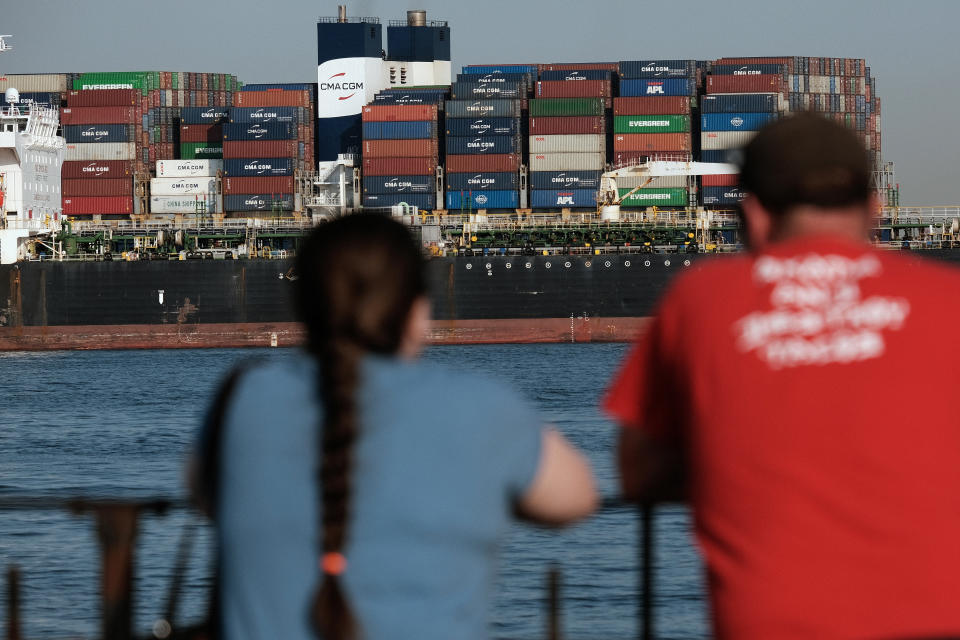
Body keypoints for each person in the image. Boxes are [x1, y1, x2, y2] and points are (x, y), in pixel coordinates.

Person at [605, 113, 960, 639]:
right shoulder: (947, 301)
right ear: (875, 208)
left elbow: (637, 473)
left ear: (751, 214)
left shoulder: (700, 299)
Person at [191, 213, 596, 640]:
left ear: (304, 305)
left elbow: (204, 492)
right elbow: (577, 498)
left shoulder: (240, 400)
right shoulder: (483, 407)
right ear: (418, 311)